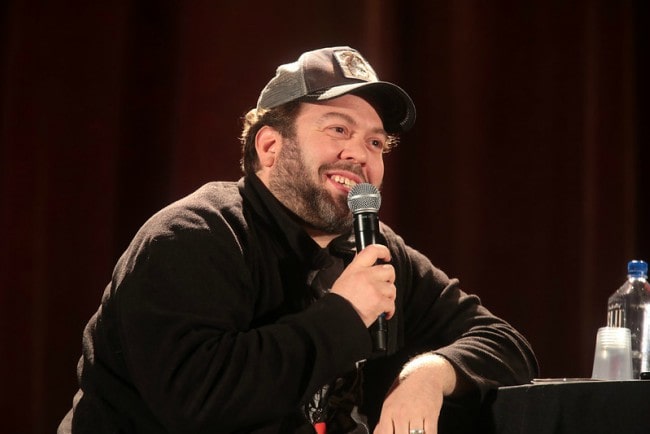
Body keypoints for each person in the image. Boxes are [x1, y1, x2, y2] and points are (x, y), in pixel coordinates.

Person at [58, 46, 538, 434]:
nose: (360, 154)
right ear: (269, 147)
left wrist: (430, 373)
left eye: (375, 142)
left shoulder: (374, 248)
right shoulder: (193, 235)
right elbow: (198, 401)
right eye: (338, 129)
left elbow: (505, 343)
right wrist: (345, 316)